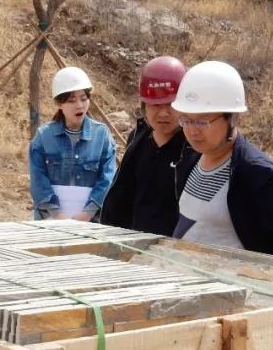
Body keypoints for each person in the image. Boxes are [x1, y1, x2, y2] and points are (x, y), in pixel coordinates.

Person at [172, 60, 273, 262]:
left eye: (202, 121)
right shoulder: (190, 159)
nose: (193, 131)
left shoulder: (256, 175)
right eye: (186, 120)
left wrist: (263, 275)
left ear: (234, 119)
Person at [100, 56, 189, 234]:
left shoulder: (192, 147)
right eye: (155, 105)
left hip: (174, 244)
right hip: (133, 240)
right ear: (144, 106)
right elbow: (124, 194)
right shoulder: (138, 139)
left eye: (170, 104)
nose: (163, 113)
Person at [29, 66, 117, 221]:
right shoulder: (43, 136)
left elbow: (107, 179)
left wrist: (87, 214)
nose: (80, 105)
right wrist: (57, 214)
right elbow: (38, 181)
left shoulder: (101, 135)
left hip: (91, 223)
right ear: (59, 103)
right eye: (71, 100)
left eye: (83, 98)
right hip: (50, 221)